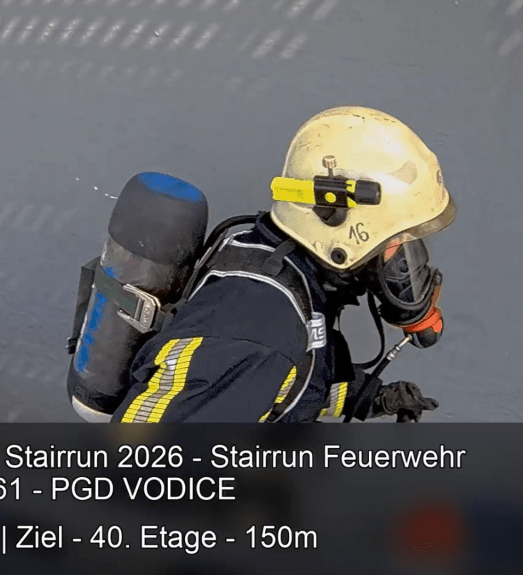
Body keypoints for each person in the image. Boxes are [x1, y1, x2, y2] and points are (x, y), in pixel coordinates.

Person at [114, 106, 455, 423]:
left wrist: (370, 397)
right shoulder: (259, 331)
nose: (404, 260)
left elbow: (287, 382)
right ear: (339, 225)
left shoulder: (282, 268)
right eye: (396, 241)